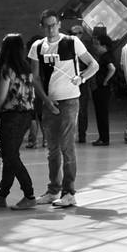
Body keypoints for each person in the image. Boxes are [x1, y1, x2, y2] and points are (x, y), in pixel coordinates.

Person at [30, 12, 94, 208]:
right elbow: (35, 78)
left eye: (53, 25)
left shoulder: (72, 42)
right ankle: (53, 190)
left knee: (67, 147)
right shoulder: (37, 47)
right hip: (49, 103)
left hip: (69, 101)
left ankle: (69, 192)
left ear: (58, 24)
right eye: (47, 26)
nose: (50, 29)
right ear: (42, 26)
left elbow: (94, 65)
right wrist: (46, 100)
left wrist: (81, 78)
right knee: (52, 150)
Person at [0, 33, 39, 210]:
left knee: (10, 156)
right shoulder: (26, 68)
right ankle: (2, 195)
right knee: (11, 155)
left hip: (11, 116)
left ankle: (29, 194)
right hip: (26, 116)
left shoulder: (6, 69)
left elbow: (1, 98)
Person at [88, 24, 117, 146]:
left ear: (104, 46)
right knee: (100, 114)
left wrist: (105, 81)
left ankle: (104, 139)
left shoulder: (106, 56)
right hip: (101, 89)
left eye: (97, 44)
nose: (95, 47)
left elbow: (112, 69)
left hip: (102, 89)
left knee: (102, 114)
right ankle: (102, 137)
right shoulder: (105, 55)